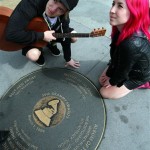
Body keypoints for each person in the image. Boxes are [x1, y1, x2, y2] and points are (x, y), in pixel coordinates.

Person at [6, 0, 80, 68]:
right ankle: (39, 52)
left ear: (66, 12)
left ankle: (51, 44)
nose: (53, 9)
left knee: (73, 36)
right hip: (34, 33)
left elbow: (65, 35)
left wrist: (68, 59)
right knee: (33, 55)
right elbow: (11, 34)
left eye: (60, 9)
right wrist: (42, 35)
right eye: (54, 0)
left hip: (53, 31)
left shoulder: (64, 17)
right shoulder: (30, 3)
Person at [99, 0, 150, 99]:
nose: (112, 10)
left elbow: (123, 70)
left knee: (104, 92)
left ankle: (145, 83)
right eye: (113, 4)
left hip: (138, 75)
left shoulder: (132, 43)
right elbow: (115, 53)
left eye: (120, 6)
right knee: (101, 81)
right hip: (125, 63)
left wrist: (112, 80)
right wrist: (110, 72)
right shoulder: (119, 29)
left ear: (134, 11)